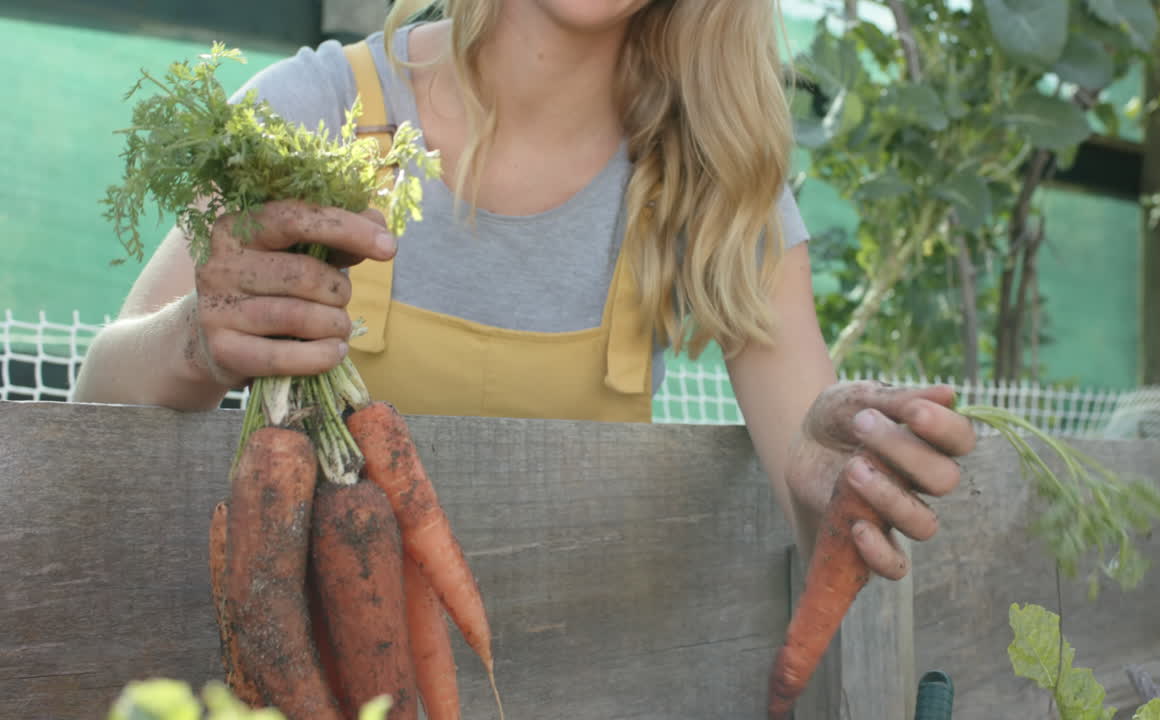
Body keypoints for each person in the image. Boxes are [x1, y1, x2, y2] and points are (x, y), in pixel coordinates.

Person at [73, 0, 976, 577]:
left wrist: (839, 483)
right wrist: (195, 339)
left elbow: (813, 497)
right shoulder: (312, 110)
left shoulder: (714, 177)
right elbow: (92, 406)